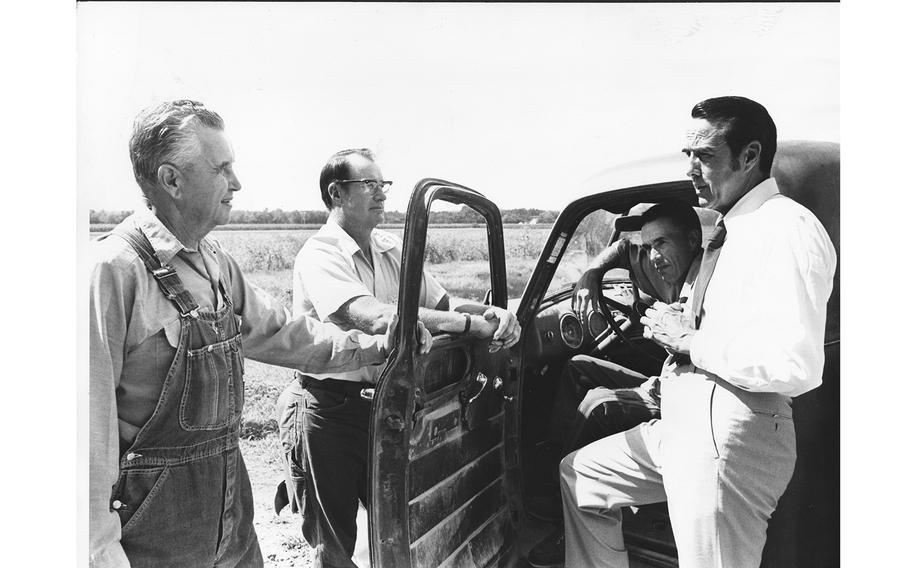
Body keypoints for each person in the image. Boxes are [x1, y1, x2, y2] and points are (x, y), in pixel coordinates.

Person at [88, 101, 432, 568]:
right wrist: (99, 553)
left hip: (231, 511)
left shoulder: (215, 263)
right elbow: (87, 435)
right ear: (171, 180)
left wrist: (382, 344)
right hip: (156, 533)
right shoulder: (113, 272)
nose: (236, 182)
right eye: (222, 168)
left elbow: (286, 333)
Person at [559, 96, 836, 568]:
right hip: (687, 420)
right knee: (581, 478)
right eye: (687, 155)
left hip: (730, 429)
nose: (690, 169)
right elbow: (634, 249)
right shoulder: (736, 229)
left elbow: (795, 363)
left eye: (703, 156)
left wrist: (690, 342)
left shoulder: (784, 228)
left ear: (749, 157)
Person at [274, 148, 521, 568]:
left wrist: (492, 314)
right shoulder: (320, 255)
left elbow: (442, 301)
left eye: (383, 185)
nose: (382, 195)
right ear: (337, 193)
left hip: (388, 405)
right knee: (333, 542)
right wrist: (466, 327)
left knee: (398, 525)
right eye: (369, 185)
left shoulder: (390, 249)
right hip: (331, 407)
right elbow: (374, 317)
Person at [528, 201, 703, 568]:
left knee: (598, 404)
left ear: (692, 240)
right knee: (578, 366)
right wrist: (591, 274)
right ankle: (555, 464)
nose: (654, 255)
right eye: (651, 245)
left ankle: (562, 511)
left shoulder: (705, 283)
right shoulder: (665, 267)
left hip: (683, 398)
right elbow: (624, 248)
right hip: (666, 380)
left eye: (663, 244)